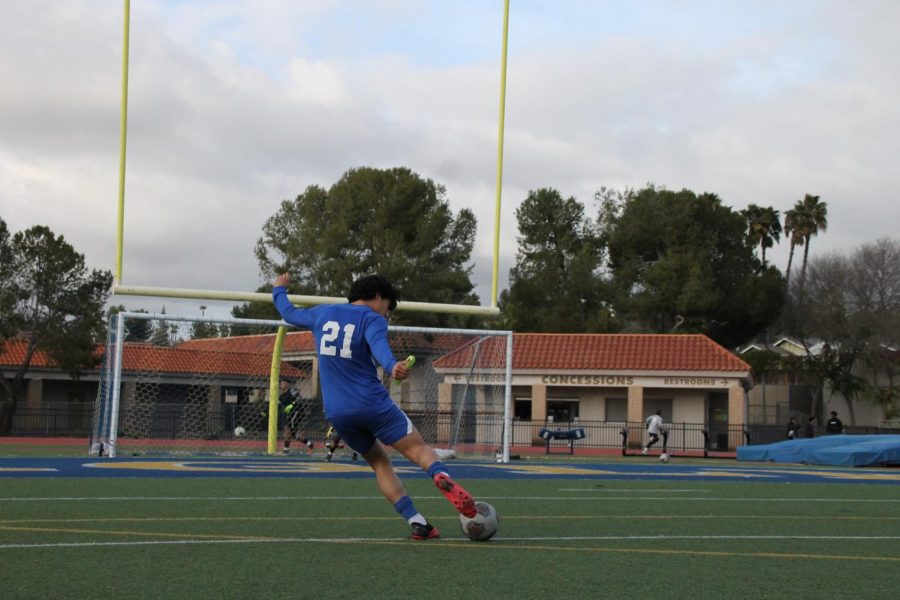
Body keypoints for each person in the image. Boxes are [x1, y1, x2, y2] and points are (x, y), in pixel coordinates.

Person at [272, 272, 477, 540]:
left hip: (338, 413)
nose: (387, 314)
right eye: (388, 307)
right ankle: (439, 475)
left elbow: (288, 312)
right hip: (372, 403)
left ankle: (417, 522)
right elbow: (380, 347)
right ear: (379, 297)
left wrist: (279, 289)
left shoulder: (322, 313)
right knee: (418, 448)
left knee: (380, 464)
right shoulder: (372, 318)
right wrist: (392, 366)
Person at [277, 378, 314, 455]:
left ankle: (286, 449)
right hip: (290, 414)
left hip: (297, 412)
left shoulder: (292, 391)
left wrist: (292, 405)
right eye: (280, 383)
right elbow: (281, 405)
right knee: (294, 435)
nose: (281, 385)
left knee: (287, 429)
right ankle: (310, 444)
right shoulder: (281, 396)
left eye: (283, 383)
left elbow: (299, 399)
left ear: (287, 384)